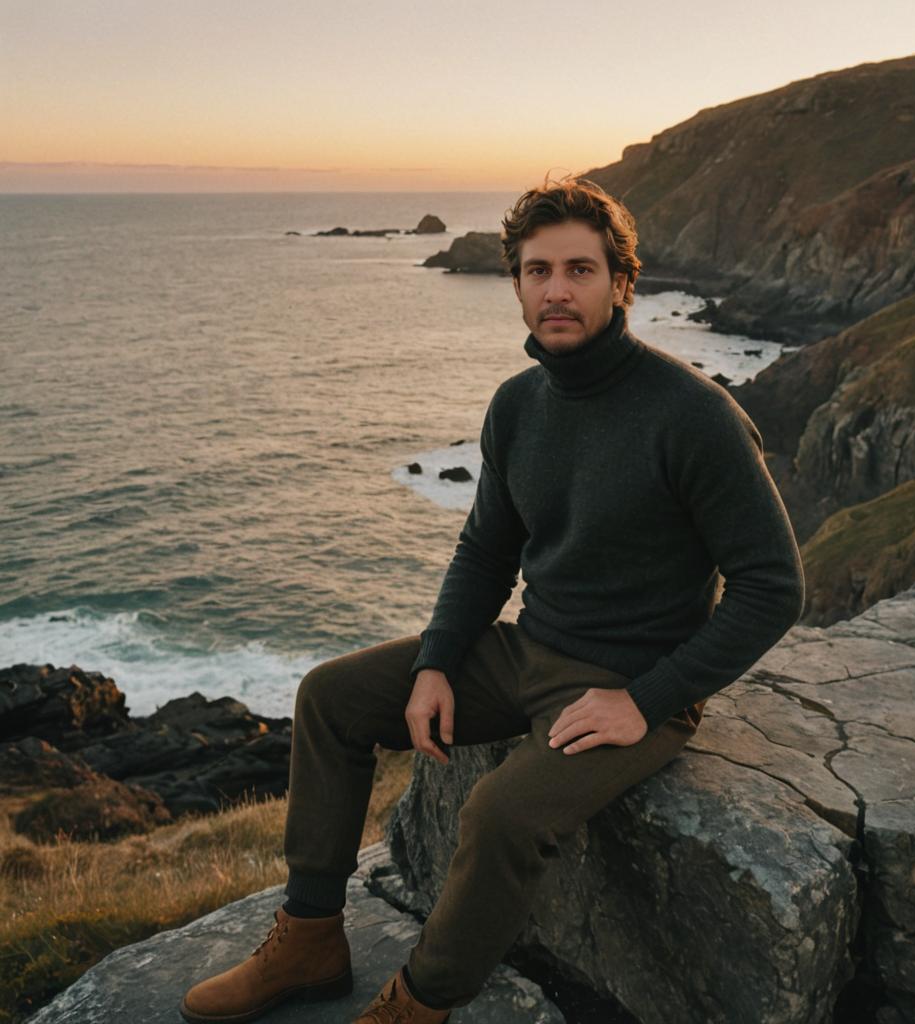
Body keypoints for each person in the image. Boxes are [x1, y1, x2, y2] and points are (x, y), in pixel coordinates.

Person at [179, 176, 805, 1024]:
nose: (556, 290)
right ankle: (310, 940)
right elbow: (486, 551)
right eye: (537, 270)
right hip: (524, 652)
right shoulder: (518, 405)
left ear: (622, 283)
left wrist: (650, 700)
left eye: (579, 270)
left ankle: (419, 1003)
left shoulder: (694, 416)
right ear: (514, 283)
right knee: (329, 697)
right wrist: (437, 661)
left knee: (502, 811)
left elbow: (775, 586)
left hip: (632, 681)